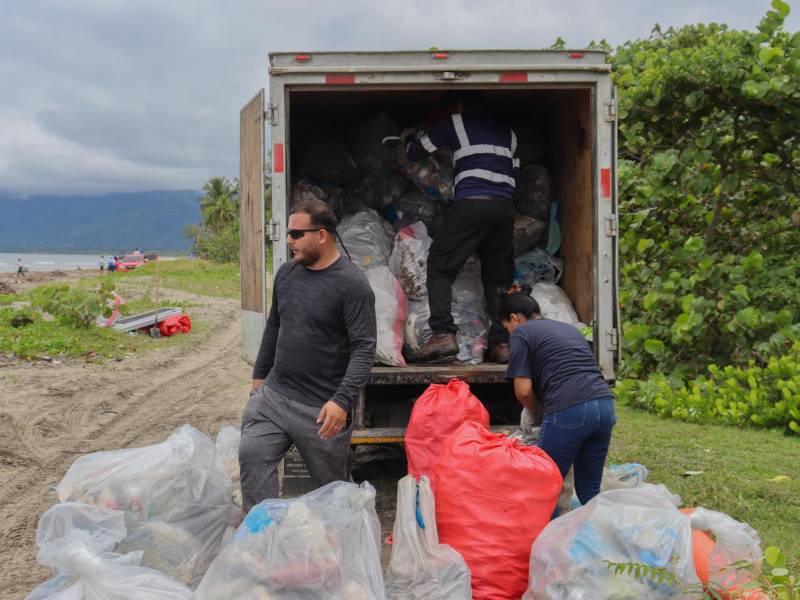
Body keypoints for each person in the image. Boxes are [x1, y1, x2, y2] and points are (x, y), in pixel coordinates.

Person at [239, 199, 377, 512]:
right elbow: (275, 325)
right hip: (274, 396)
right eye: (288, 233)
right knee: (252, 455)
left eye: (297, 234)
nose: (289, 240)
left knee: (335, 495)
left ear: (323, 235)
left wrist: (342, 401)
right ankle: (260, 538)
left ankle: (344, 548)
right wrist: (259, 378)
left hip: (321, 410)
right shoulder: (287, 274)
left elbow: (364, 347)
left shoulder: (352, 285)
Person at [403, 90, 518, 363]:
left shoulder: (456, 122)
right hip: (504, 208)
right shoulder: (509, 134)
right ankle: (503, 344)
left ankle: (442, 335)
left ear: (459, 105)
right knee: (498, 277)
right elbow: (516, 172)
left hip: (472, 204)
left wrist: (407, 138)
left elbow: (416, 152)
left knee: (440, 266)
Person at [499, 285, 615, 506]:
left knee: (545, 485)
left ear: (514, 319)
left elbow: (523, 391)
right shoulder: (569, 329)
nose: (509, 334)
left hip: (570, 409)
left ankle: (546, 539)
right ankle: (594, 536)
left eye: (507, 328)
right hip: (605, 405)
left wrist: (537, 412)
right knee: (589, 491)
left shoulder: (522, 333)